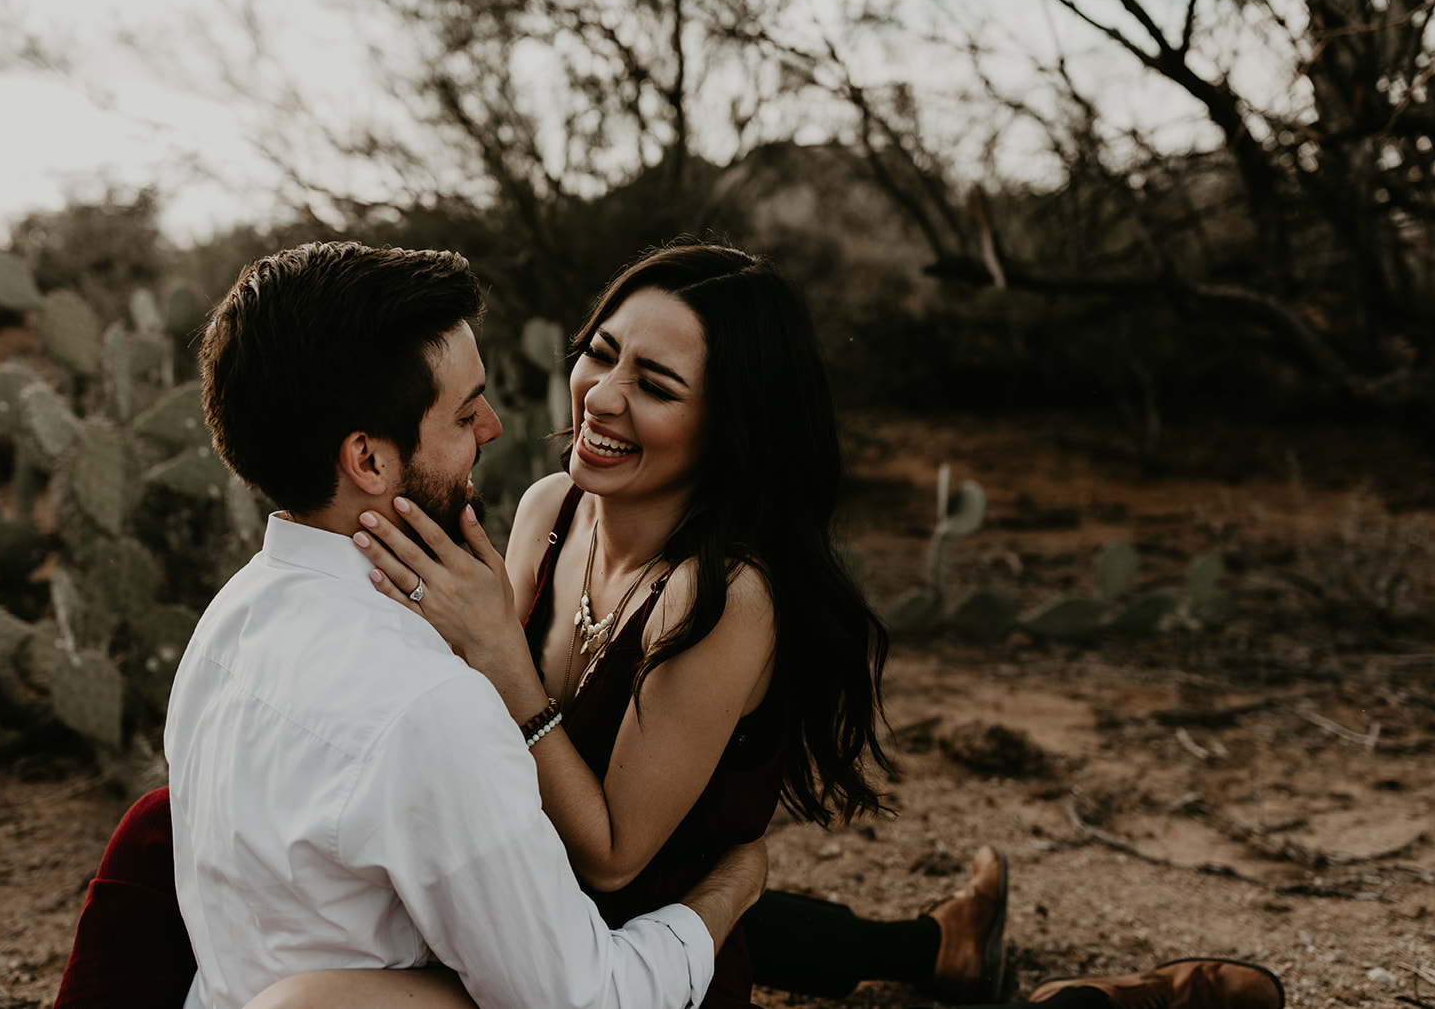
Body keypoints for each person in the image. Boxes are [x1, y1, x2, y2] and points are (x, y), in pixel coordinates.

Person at [348, 241, 1283, 1009]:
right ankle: (937, 946)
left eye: (658, 384)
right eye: (601, 351)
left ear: (731, 421)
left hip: (654, 967)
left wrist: (500, 658)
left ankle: (1127, 1002)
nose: (599, 395)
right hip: (529, 915)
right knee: (722, 872)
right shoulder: (551, 509)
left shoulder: (720, 596)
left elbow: (614, 854)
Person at [150, 241, 767, 1009]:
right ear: (369, 462)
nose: (496, 425)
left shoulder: (226, 623)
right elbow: (585, 999)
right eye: (466, 409)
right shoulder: (429, 704)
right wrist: (724, 897)